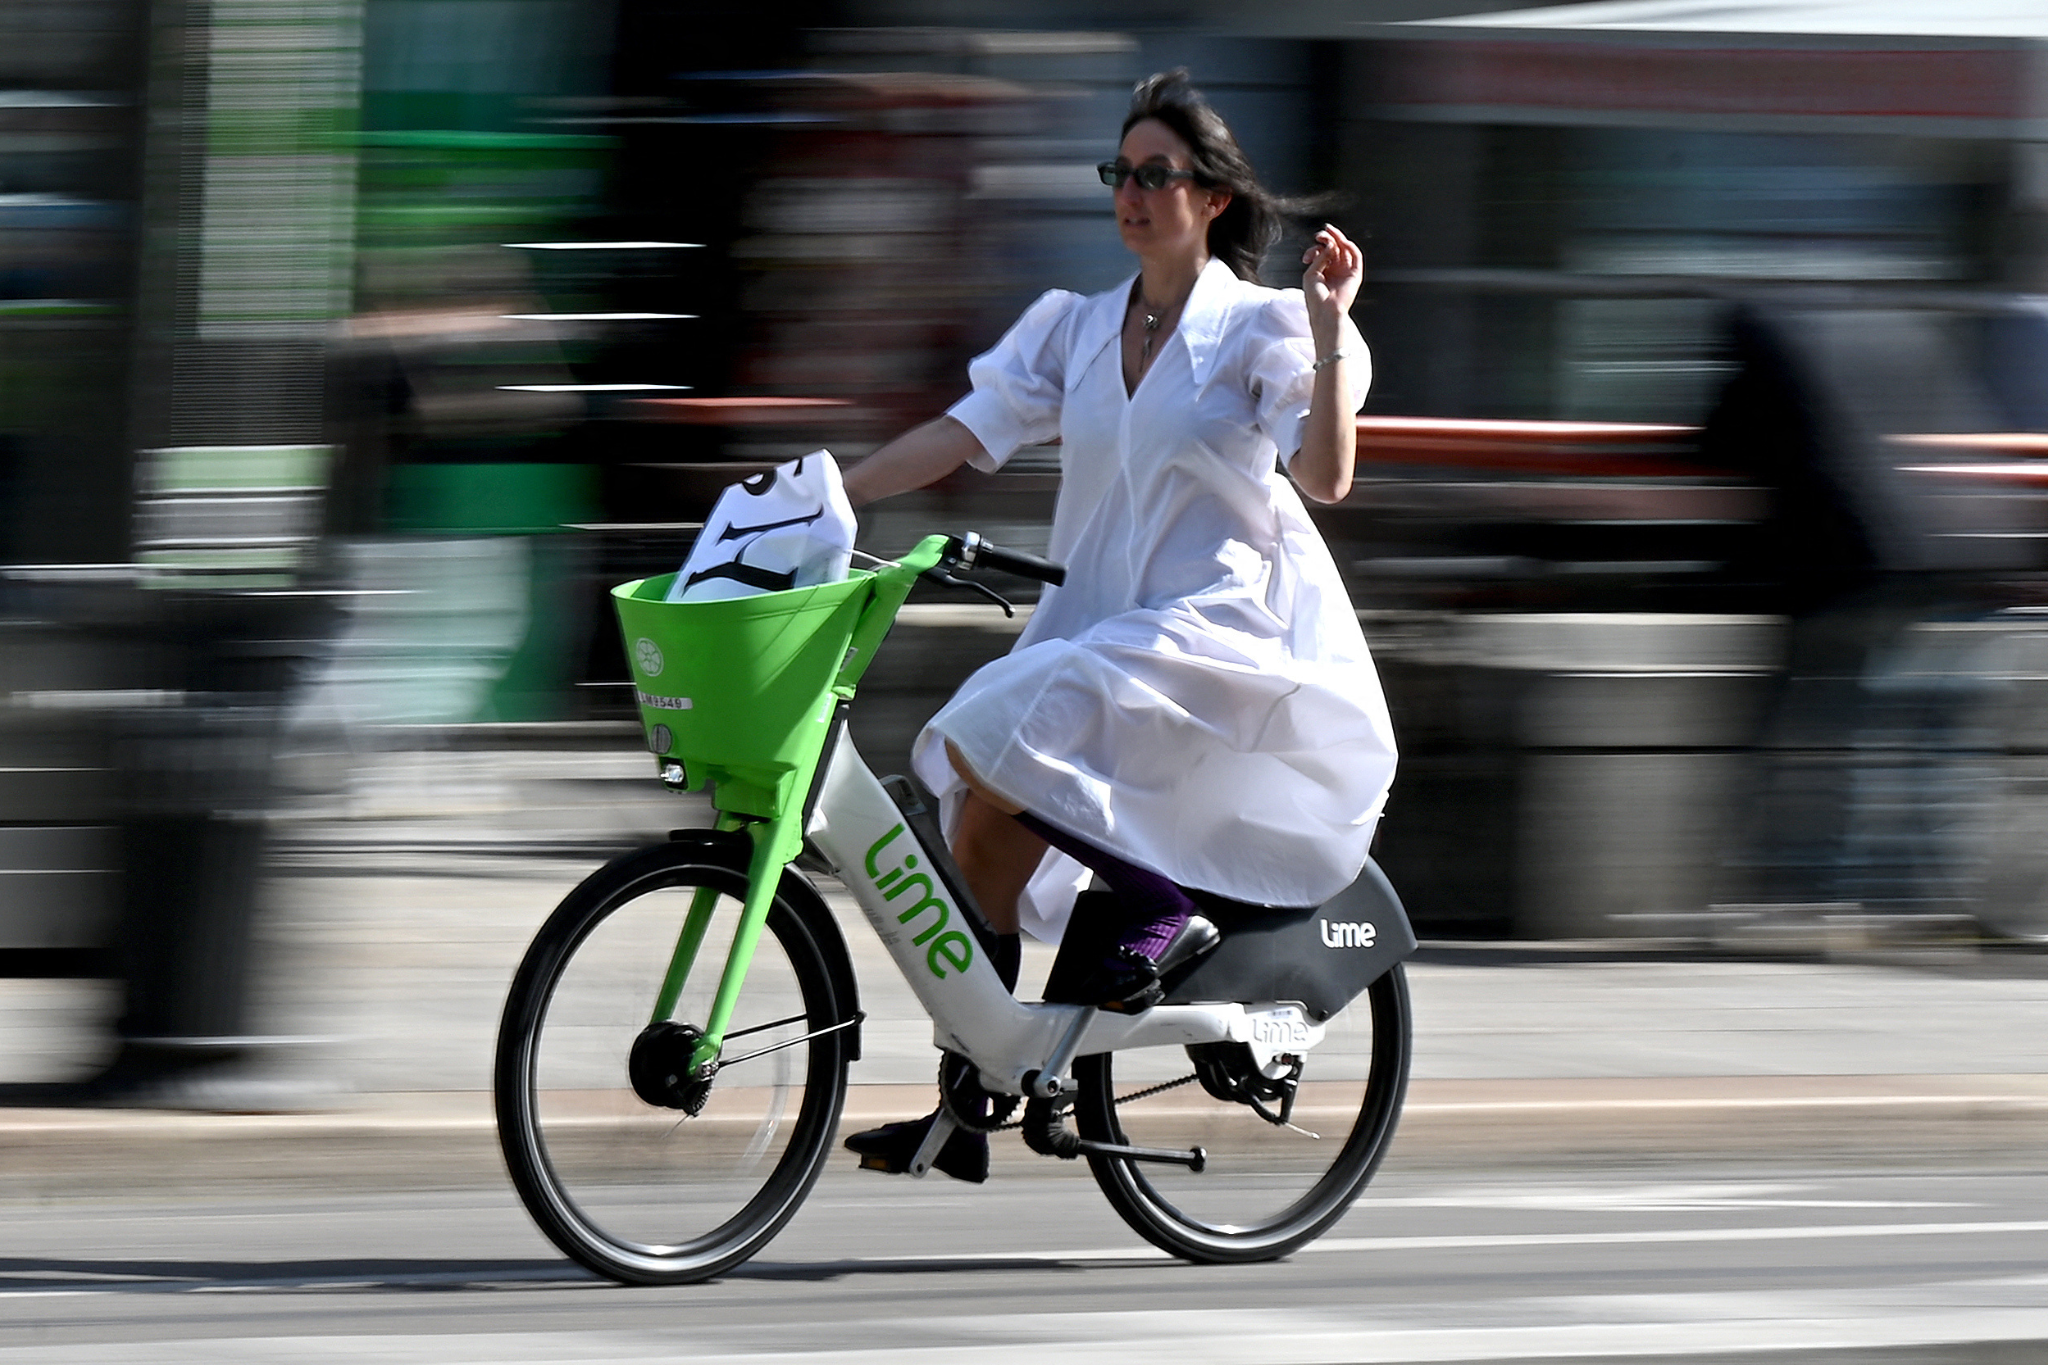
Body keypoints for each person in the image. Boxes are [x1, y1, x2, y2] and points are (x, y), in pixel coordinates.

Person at [839, 70, 1397, 1182]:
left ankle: (1163, 907)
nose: (1131, 194)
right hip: (1095, 623)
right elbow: (963, 432)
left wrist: (1331, 332)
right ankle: (974, 1099)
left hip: (1211, 631)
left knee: (982, 732)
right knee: (978, 830)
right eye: (1120, 174)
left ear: (1213, 199)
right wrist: (833, 497)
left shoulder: (1257, 332)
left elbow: (1327, 474)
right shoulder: (1079, 331)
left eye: (1156, 175)